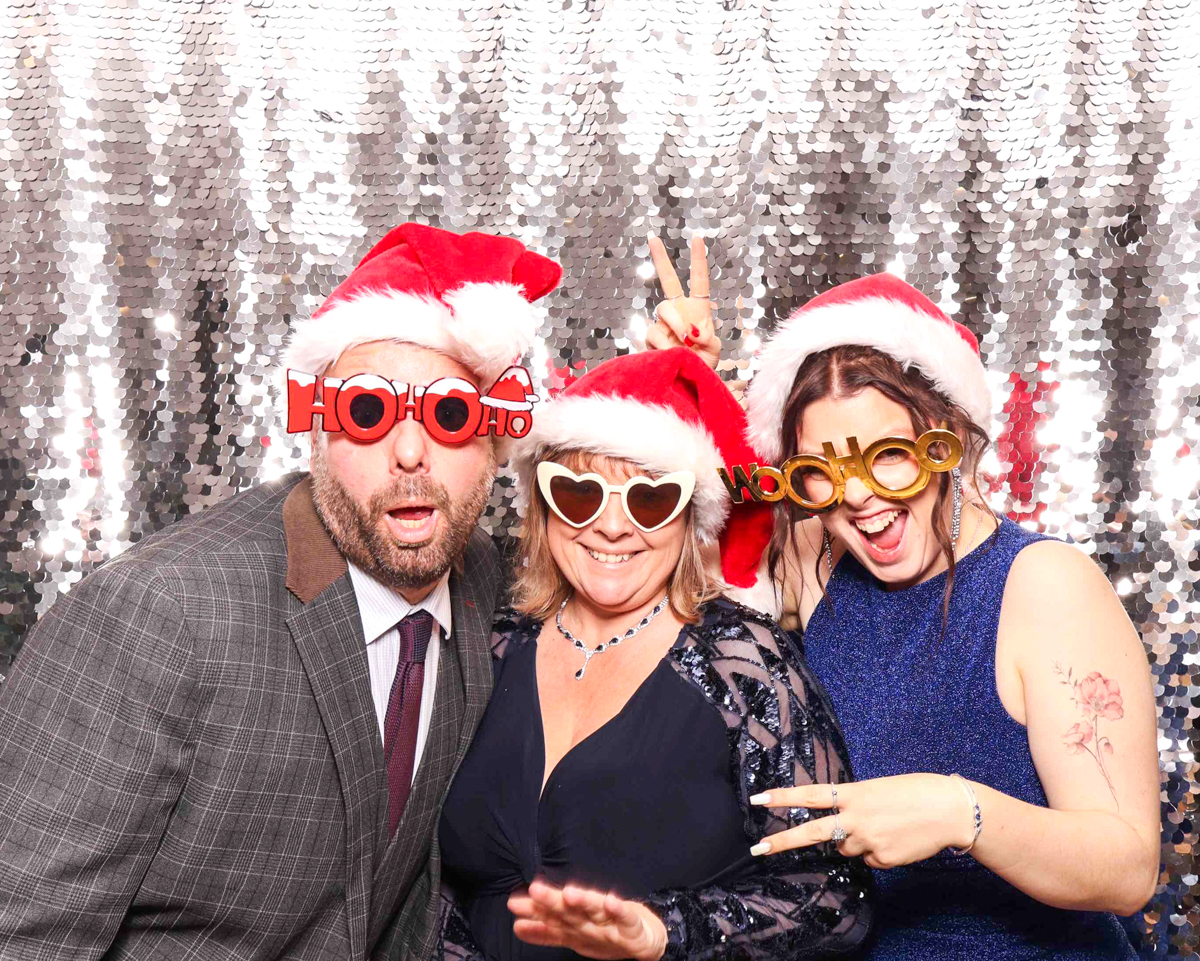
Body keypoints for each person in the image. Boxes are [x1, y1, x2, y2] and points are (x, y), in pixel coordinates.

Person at [0, 223, 561, 961]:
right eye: (369, 411)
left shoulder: (484, 580)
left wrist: (692, 387)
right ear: (317, 432)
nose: (411, 451)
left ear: (495, 442)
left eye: (450, 414)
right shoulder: (157, 616)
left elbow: (622, 544)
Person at [646, 239, 1160, 959]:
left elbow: (1128, 865)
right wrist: (684, 378)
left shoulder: (1044, 585)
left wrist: (963, 813)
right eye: (822, 470)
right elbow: (676, 529)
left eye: (888, 454)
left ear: (946, 435)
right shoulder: (819, 560)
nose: (858, 497)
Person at [434, 347, 872, 961]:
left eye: (648, 500)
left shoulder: (747, 665)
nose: (613, 527)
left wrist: (662, 931)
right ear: (543, 508)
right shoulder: (492, 646)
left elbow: (832, 897)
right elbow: (431, 874)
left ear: (690, 519)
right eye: (581, 495)